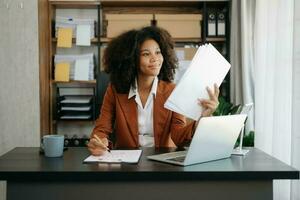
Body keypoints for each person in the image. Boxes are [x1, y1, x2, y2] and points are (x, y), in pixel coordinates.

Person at [87, 26, 219, 156]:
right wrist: (99, 141)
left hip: (160, 162)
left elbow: (179, 137)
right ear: (131, 59)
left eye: (158, 52)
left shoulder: (171, 90)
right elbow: (102, 128)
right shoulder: (115, 90)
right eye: (146, 54)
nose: (154, 58)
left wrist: (202, 119)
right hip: (126, 162)